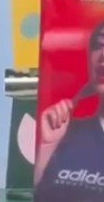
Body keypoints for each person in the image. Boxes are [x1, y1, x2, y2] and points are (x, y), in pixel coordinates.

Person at [34, 23, 104, 202]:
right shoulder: (68, 132)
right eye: (99, 45)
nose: (102, 56)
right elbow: (41, 195)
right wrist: (48, 146)